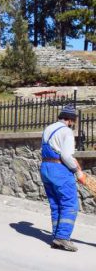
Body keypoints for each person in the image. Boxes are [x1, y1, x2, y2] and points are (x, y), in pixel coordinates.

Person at [40, 104, 86, 252]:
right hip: (59, 170)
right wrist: (76, 171)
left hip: (46, 168)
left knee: (55, 204)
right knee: (70, 204)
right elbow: (66, 155)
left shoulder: (48, 128)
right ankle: (63, 237)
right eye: (73, 121)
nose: (73, 124)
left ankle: (56, 237)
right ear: (70, 120)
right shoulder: (66, 132)